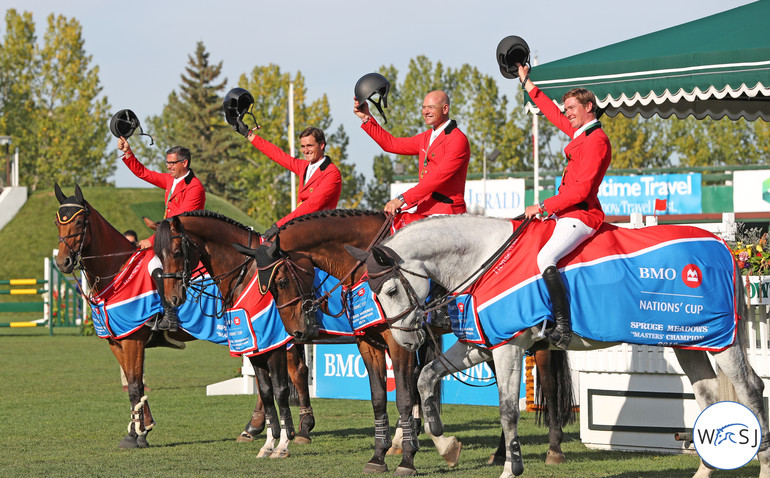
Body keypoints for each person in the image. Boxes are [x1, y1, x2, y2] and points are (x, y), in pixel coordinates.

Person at [517, 63, 612, 350]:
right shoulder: (580, 132)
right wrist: (527, 83)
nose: (567, 113)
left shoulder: (596, 139)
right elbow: (550, 112)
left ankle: (563, 327)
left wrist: (543, 205)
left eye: (571, 108)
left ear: (589, 106)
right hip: (566, 212)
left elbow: (581, 189)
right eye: (567, 108)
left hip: (581, 215)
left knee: (546, 258)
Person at [117, 137, 206, 331]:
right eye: (167, 163)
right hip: (170, 238)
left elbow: (179, 222)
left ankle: (171, 316)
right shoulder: (170, 180)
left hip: (185, 241)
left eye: (172, 163)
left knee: (154, 263)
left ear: (185, 163)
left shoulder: (195, 188)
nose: (168, 167)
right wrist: (128, 153)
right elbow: (143, 173)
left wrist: (151, 240)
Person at [353, 90, 470, 227]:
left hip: (446, 214)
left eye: (431, 107)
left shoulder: (457, 139)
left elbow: (437, 178)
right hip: (424, 211)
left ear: (445, 109)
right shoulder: (426, 137)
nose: (426, 111)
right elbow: (391, 144)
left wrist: (402, 199)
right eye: (423, 107)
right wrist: (366, 117)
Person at [245, 127, 341, 227]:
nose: (305, 151)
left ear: (321, 145)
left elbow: (311, 206)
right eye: (303, 146)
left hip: (320, 231)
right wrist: (248, 134)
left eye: (309, 146)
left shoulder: (332, 173)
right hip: (300, 227)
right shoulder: (304, 167)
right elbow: (277, 154)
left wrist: (279, 225)